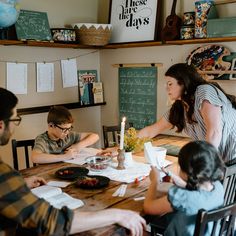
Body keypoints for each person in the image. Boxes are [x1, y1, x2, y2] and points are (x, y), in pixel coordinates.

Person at [0, 87, 146, 235]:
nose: (15, 125)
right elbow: (50, 221)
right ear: (1, 125)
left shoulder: (6, 178)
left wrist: (20, 185)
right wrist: (116, 214)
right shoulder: (4, 174)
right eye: (15, 119)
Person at [138, 63, 236, 163]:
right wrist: (127, 144)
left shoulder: (204, 91)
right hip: (220, 161)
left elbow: (214, 132)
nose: (167, 88)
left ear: (183, 82)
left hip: (232, 160)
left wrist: (205, 162)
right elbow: (153, 130)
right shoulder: (180, 107)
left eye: (170, 84)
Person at [143, 140, 225, 236]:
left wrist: (155, 180)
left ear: (187, 171)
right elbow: (199, 193)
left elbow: (148, 207)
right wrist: (183, 183)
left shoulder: (183, 197)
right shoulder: (218, 187)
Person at [31, 105, 99, 164]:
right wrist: (65, 157)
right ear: (51, 126)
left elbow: (95, 136)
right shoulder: (42, 139)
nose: (67, 132)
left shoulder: (69, 135)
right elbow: (35, 157)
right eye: (64, 129)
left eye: (69, 128)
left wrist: (78, 146)